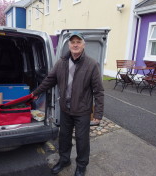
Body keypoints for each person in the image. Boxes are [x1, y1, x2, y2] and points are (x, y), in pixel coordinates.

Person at [32, 32, 104, 176]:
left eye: (78, 42)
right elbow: (49, 80)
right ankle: (64, 160)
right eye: (72, 42)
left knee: (82, 141)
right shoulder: (61, 62)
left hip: (82, 110)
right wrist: (35, 92)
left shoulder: (91, 64)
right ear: (69, 45)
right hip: (65, 109)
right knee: (64, 138)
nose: (75, 45)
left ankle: (81, 165)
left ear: (84, 45)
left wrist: (98, 113)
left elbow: (99, 91)